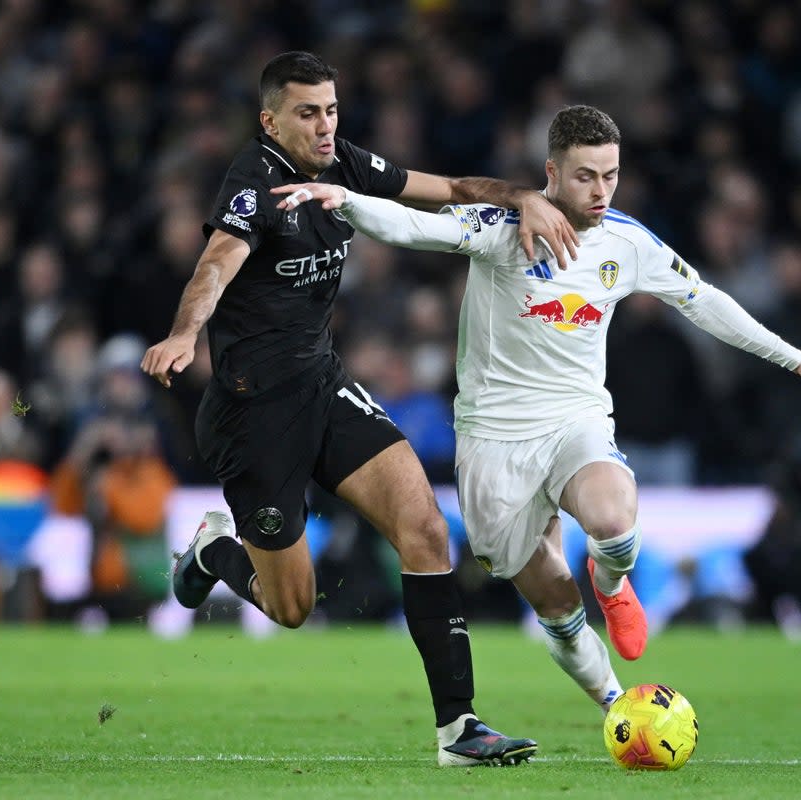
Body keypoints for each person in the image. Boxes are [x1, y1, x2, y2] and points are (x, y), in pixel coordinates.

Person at [275, 105, 801, 716]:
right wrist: (345, 199)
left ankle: (613, 584)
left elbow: (704, 301)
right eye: (585, 176)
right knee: (553, 600)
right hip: (492, 438)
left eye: (611, 175)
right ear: (552, 171)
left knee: (613, 521)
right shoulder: (505, 226)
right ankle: (616, 705)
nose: (601, 191)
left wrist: (796, 360)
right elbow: (416, 227)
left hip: (576, 420)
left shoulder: (627, 242)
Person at [140, 51, 577, 767]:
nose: (324, 125)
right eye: (308, 113)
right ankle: (215, 549)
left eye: (332, 109)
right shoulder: (254, 183)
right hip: (254, 418)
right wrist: (186, 332)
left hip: (324, 387)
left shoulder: (344, 164)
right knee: (292, 609)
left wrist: (522, 196)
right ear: (270, 120)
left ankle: (458, 730)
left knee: (426, 529)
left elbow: (450, 189)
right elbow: (216, 263)